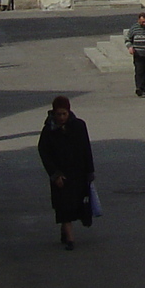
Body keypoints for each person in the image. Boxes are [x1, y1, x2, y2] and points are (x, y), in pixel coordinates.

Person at [37, 95, 94, 250]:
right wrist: (54, 174)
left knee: (75, 204)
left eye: (64, 114)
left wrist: (90, 171)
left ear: (69, 112)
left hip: (77, 173)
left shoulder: (79, 126)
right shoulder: (49, 130)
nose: (61, 117)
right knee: (63, 206)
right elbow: (44, 152)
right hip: (60, 175)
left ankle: (65, 230)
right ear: (53, 113)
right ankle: (70, 239)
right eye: (58, 114)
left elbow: (86, 149)